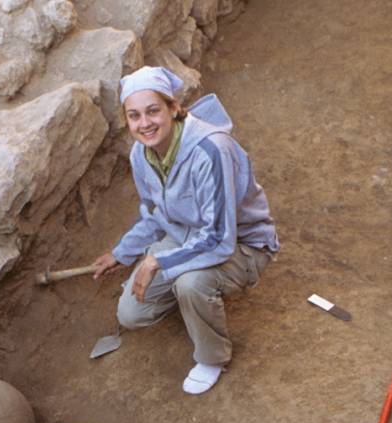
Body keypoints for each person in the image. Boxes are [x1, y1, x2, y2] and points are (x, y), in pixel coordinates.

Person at [91, 66, 279, 395]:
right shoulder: (141, 154)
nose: (144, 123)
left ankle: (212, 357)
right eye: (134, 116)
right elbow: (153, 213)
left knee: (191, 283)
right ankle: (189, 297)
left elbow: (220, 238)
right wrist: (122, 253)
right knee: (132, 314)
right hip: (186, 237)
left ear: (173, 108)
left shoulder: (211, 150)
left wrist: (157, 262)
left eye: (153, 111)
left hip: (241, 246)